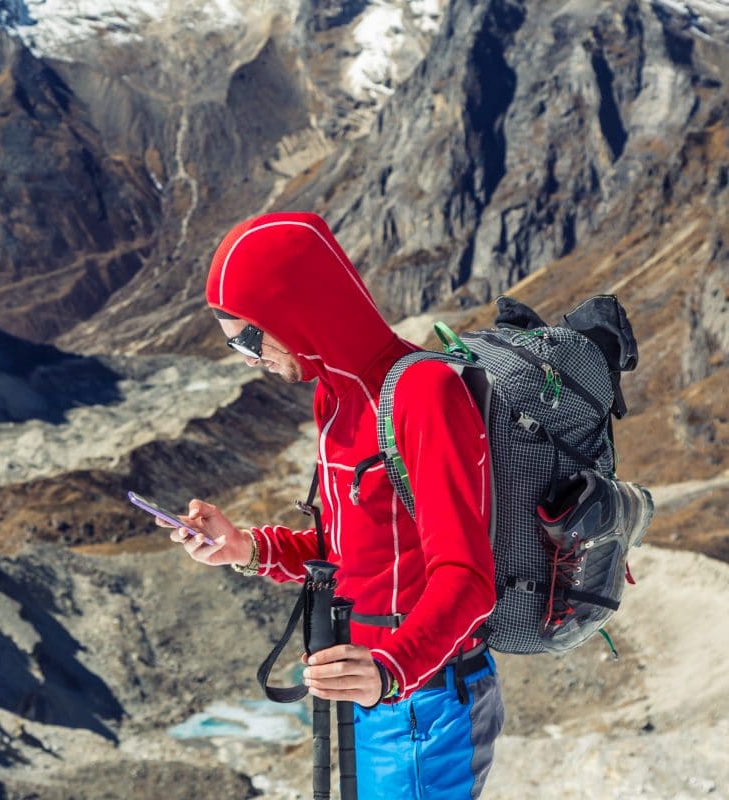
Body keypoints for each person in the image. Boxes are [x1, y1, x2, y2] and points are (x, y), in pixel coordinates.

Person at [165, 211, 503, 797]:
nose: (246, 357)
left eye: (248, 336)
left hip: (423, 704)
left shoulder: (425, 393)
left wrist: (390, 671)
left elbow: (468, 577)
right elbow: (344, 557)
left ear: (294, 310)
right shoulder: (334, 398)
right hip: (367, 693)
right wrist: (245, 548)